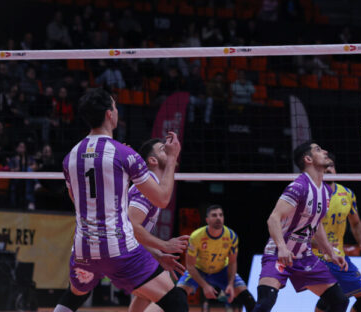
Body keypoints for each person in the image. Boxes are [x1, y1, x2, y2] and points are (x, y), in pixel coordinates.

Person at [53, 88, 188, 312]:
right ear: (109, 114)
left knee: (75, 295)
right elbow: (163, 199)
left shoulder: (71, 157)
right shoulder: (124, 154)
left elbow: (76, 199)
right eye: (115, 107)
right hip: (119, 250)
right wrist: (172, 157)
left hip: (83, 249)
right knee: (176, 302)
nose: (116, 111)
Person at [253, 142, 349, 312]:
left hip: (304, 256)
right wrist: (282, 248)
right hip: (278, 253)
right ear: (308, 159)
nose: (325, 151)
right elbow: (273, 219)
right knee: (265, 303)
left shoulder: (325, 191)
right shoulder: (299, 187)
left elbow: (316, 225)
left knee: (339, 301)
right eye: (318, 150)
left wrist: (330, 252)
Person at [127, 138, 193, 312]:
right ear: (153, 160)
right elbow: (131, 227)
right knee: (176, 300)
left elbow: (132, 232)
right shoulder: (149, 185)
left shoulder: (153, 186)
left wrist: (157, 255)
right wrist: (164, 245)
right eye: (164, 149)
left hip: (124, 249)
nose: (170, 151)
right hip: (119, 253)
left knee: (145, 295)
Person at [312, 159, 361, 312]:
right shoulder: (310, 194)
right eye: (323, 167)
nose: (328, 170)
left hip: (338, 257)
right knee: (339, 299)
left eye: (331, 166)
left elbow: (355, 223)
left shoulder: (347, 193)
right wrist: (321, 245)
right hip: (314, 257)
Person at [177, 205, 257, 311]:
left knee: (249, 300)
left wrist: (230, 284)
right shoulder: (196, 236)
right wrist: (205, 286)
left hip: (222, 271)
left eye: (221, 215)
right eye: (214, 215)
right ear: (207, 220)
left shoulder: (231, 236)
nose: (218, 218)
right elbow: (190, 266)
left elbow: (232, 263)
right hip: (199, 270)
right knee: (176, 297)